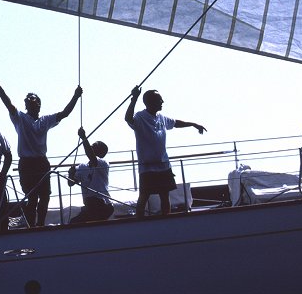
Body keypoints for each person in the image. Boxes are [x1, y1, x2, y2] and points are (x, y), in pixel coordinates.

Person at [0, 80, 82, 227]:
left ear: (39, 103)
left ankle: (41, 224)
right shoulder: (20, 118)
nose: (29, 101)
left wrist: (76, 96)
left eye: (33, 99)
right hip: (27, 163)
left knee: (45, 196)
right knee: (32, 197)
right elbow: (9, 105)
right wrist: (0, 90)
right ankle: (31, 225)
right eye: (28, 100)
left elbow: (65, 113)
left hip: (41, 162)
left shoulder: (45, 120)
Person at [125, 86, 206, 218]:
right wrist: (134, 99)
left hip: (163, 165)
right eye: (160, 100)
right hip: (147, 167)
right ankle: (138, 222)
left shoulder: (161, 117)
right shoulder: (140, 117)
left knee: (164, 194)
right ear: (151, 102)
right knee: (144, 195)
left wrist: (193, 124)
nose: (163, 102)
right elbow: (128, 118)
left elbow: (176, 123)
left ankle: (166, 220)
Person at [67, 127, 114, 223]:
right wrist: (70, 175)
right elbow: (71, 183)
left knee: (75, 222)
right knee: (75, 222)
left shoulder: (103, 163)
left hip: (103, 204)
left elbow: (91, 156)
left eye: (95, 146)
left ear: (101, 152)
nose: (91, 146)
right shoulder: (82, 166)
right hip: (90, 205)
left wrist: (84, 137)